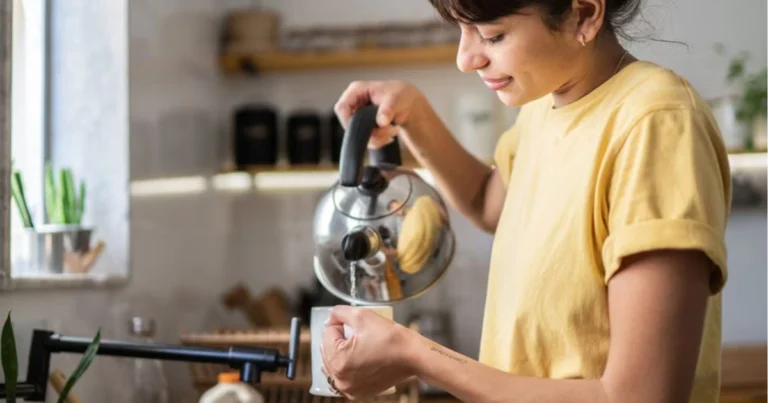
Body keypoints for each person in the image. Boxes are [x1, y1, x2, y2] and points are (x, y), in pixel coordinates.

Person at [320, 0, 731, 402]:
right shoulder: (543, 105)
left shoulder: (656, 123)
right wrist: (413, 113)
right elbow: (488, 203)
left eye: (493, 36)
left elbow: (640, 395)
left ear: (584, 14)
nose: (466, 59)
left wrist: (415, 355)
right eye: (461, 32)